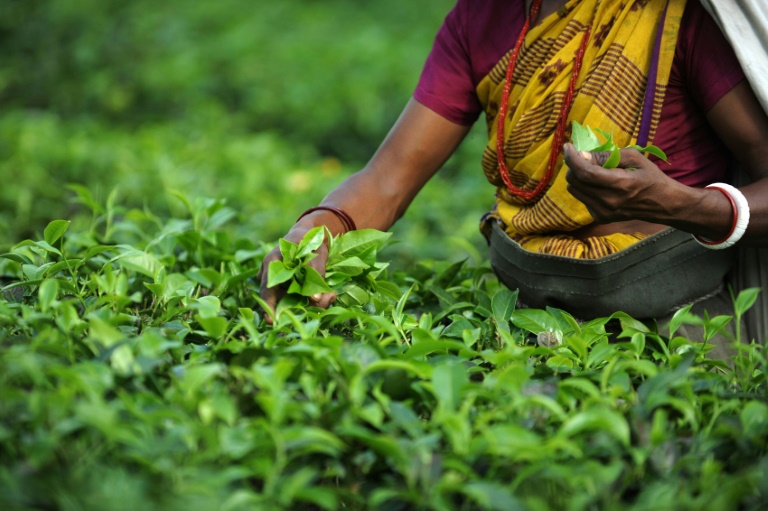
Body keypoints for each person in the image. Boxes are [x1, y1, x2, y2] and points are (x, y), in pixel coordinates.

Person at [258, 0, 768, 344]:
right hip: (525, 323)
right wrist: (313, 232)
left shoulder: (676, 15)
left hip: (674, 332)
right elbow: (387, 180)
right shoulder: (482, 17)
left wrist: (680, 205)